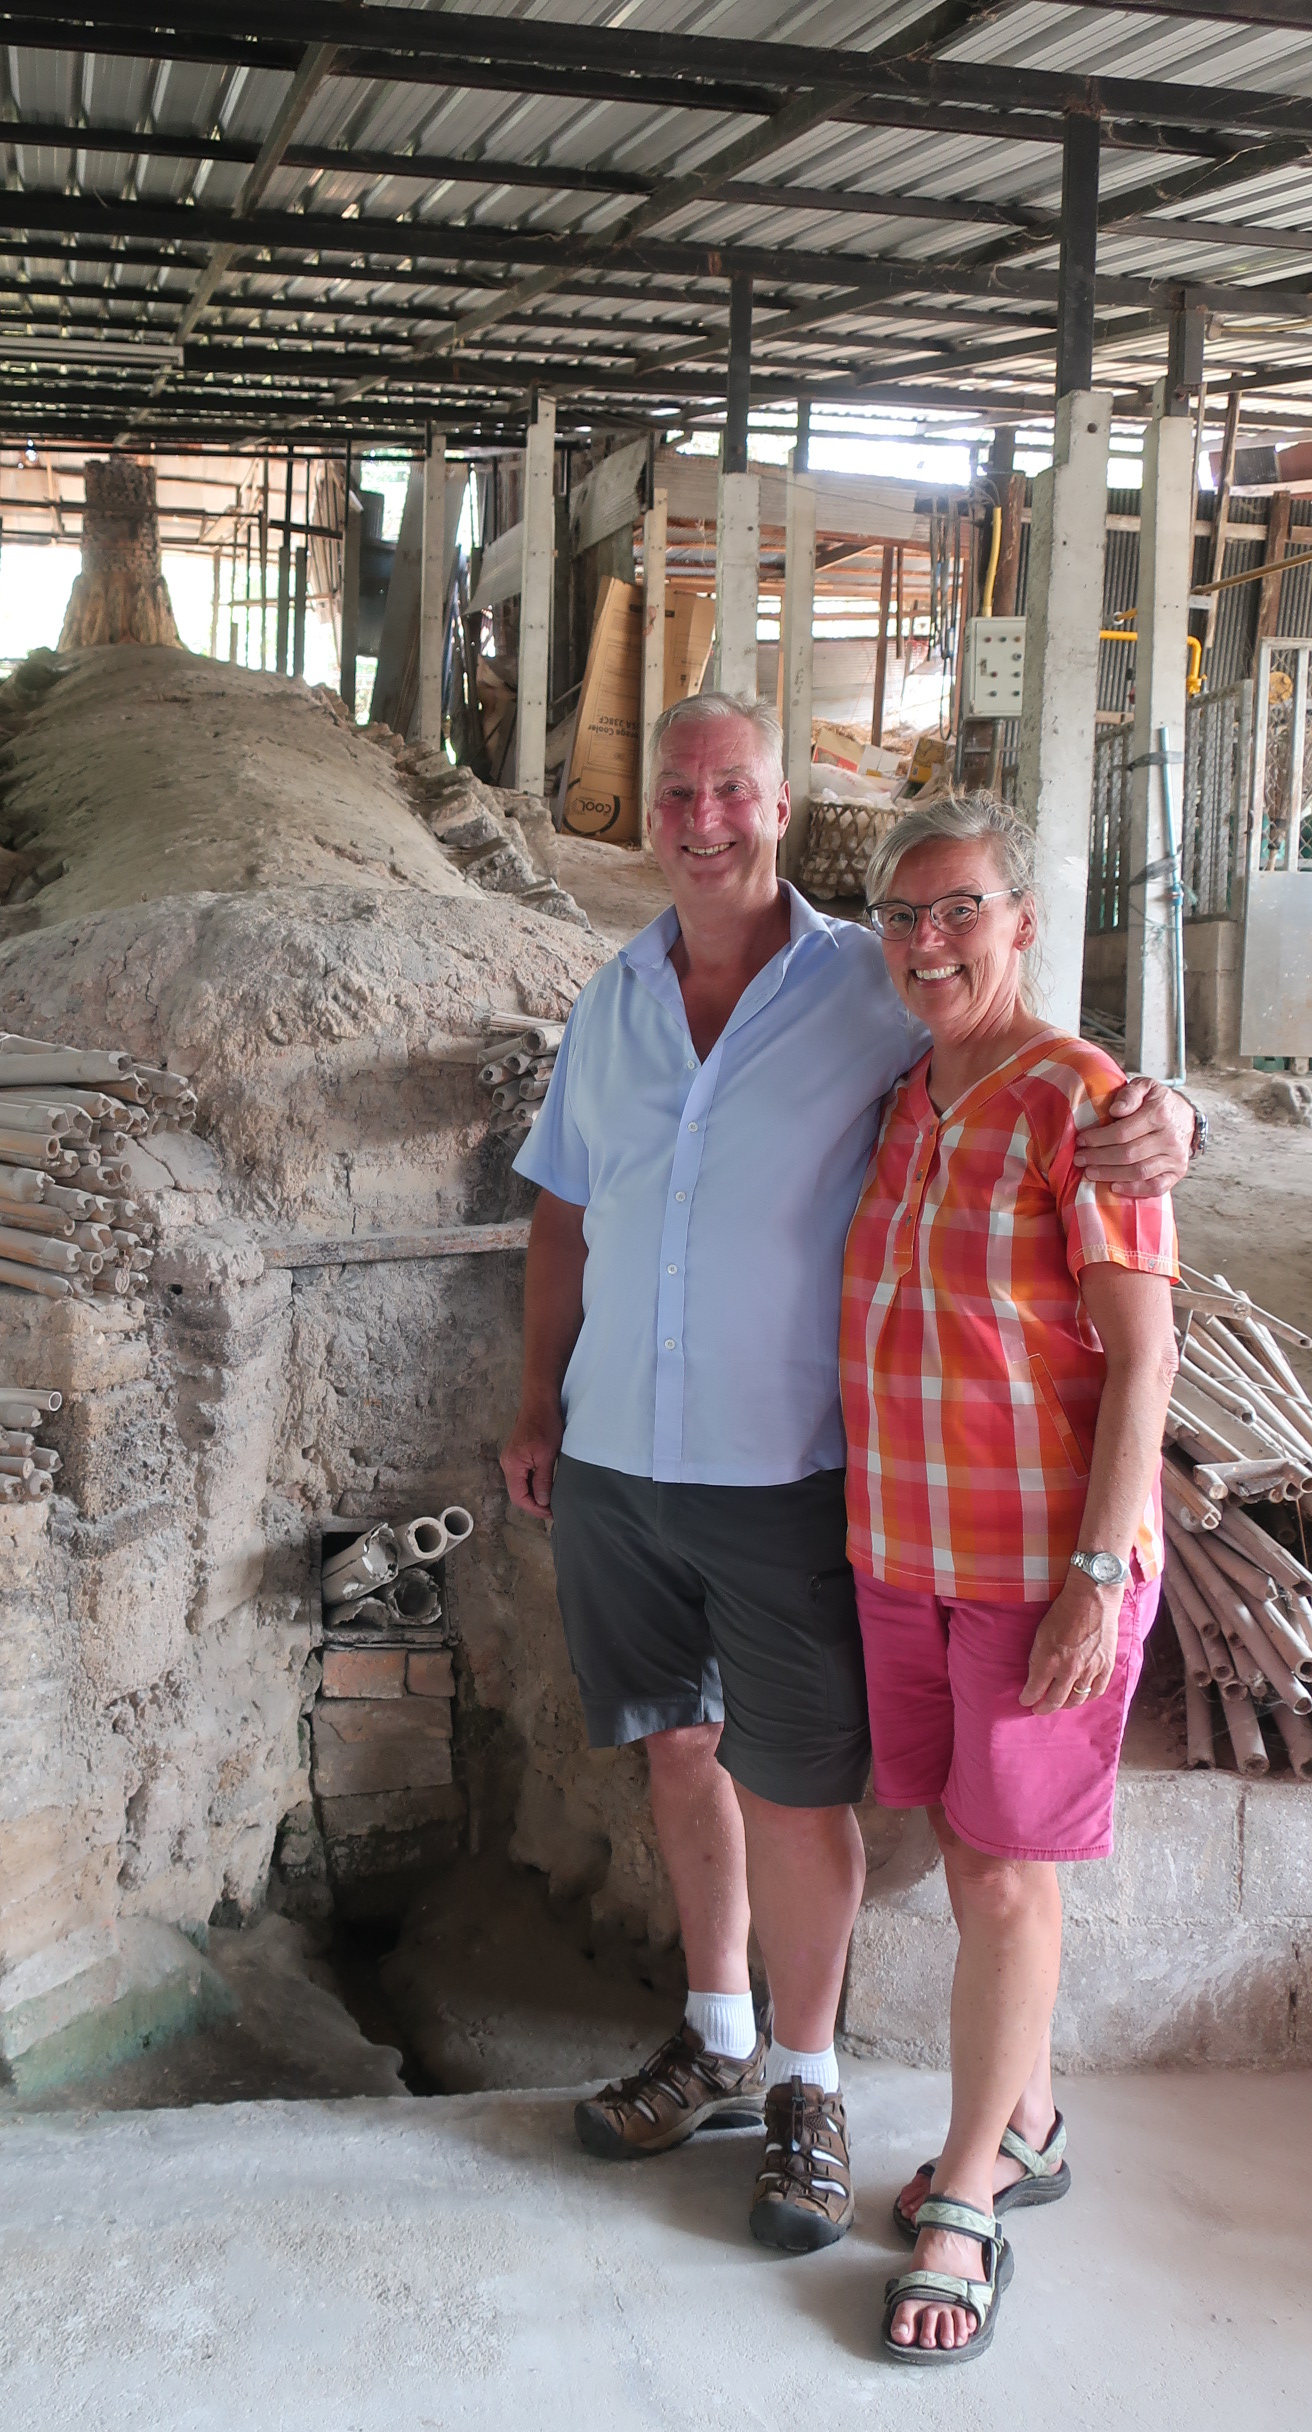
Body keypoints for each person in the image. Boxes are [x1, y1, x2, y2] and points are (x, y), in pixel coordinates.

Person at [500, 693, 1195, 2255]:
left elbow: (1055, 1071)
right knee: (678, 1747)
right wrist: (538, 1402)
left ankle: (813, 2088)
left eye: (731, 788)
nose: (702, 818)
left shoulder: (864, 987)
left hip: (794, 1478)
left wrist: (1173, 1109)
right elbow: (563, 1212)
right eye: (676, 792)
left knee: (800, 1785)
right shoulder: (614, 998)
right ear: (647, 813)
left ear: (780, 803)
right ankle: (719, 2040)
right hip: (624, 1459)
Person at [841, 793, 1177, 2364]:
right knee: (966, 1843)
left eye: (961, 908)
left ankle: (970, 2199)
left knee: (1000, 1874)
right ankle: (1027, 2120)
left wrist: (1100, 1575)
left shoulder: (1079, 1099)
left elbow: (1146, 1353)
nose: (930, 940)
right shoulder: (906, 1097)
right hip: (904, 1549)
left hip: (1039, 1564)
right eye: (905, 916)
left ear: (1024, 922)